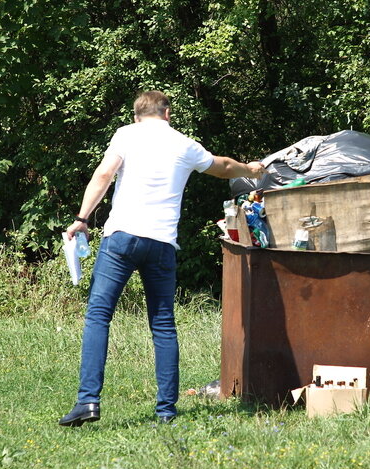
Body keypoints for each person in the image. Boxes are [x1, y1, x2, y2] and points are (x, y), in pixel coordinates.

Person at [58, 90, 265, 426]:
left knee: (98, 316)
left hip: (121, 238)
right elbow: (224, 167)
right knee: (163, 325)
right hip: (161, 244)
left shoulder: (126, 135)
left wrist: (82, 219)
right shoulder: (184, 144)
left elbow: (103, 175)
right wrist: (252, 169)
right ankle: (166, 411)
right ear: (167, 113)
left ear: (137, 114)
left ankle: (88, 402)